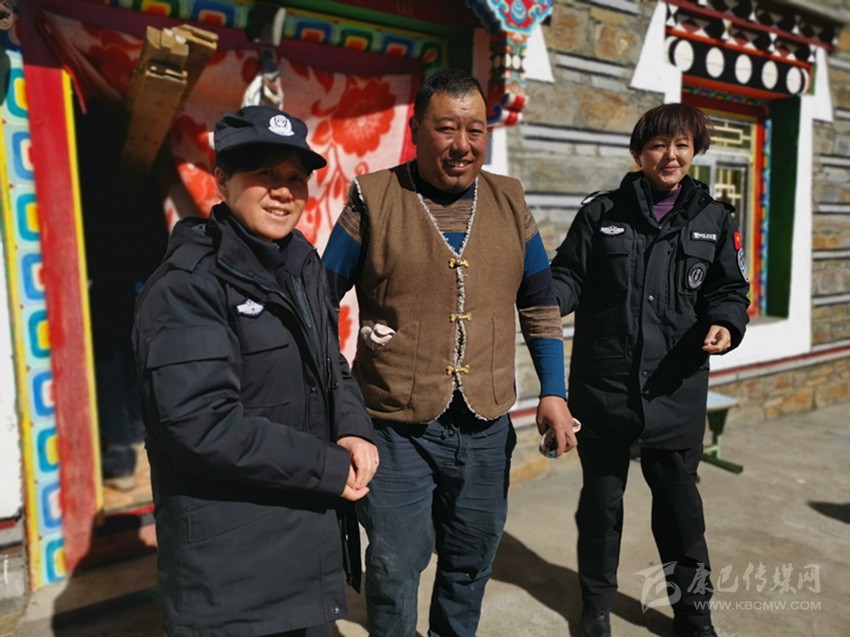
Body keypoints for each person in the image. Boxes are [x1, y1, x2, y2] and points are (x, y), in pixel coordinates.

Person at [322, 68, 578, 636]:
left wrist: (554, 393)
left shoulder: (511, 201)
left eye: (475, 129)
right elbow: (320, 300)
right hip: (394, 427)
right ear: (416, 130)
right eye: (446, 128)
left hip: (485, 427)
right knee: (395, 565)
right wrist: (338, 402)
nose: (462, 144)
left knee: (470, 561)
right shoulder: (374, 198)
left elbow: (540, 304)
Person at [132, 105, 378, 637]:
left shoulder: (301, 263)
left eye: (295, 178)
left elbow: (329, 361)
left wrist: (353, 427)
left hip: (303, 558)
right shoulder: (188, 285)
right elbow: (202, 426)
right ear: (222, 180)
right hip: (234, 578)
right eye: (265, 173)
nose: (283, 191)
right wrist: (327, 466)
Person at [550, 103, 750, 637]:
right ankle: (596, 608)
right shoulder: (601, 213)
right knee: (601, 509)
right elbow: (569, 275)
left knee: (682, 515)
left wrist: (726, 323)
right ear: (639, 153)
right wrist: (549, 300)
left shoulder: (714, 218)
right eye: (659, 145)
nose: (671, 155)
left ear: (695, 151)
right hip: (604, 390)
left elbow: (729, 289)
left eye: (682, 145)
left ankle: (694, 616)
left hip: (674, 391)